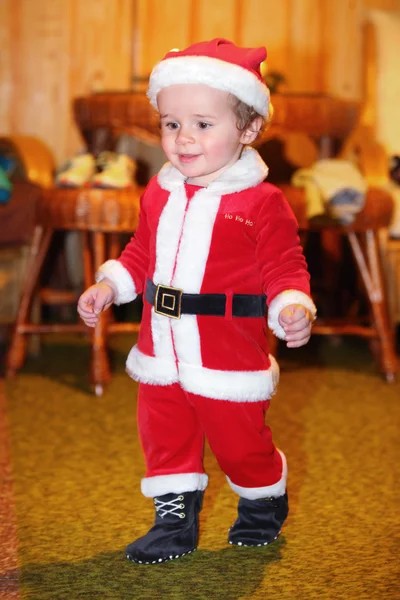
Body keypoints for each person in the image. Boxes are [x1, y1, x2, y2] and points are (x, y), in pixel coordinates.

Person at [77, 38, 316, 565]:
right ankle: (173, 525)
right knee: (164, 437)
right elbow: (140, 253)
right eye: (170, 123)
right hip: (160, 348)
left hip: (227, 354)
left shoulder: (261, 201)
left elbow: (285, 266)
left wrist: (292, 303)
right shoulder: (158, 192)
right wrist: (110, 285)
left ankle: (261, 503)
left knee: (240, 446)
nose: (183, 139)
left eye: (203, 125)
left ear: (248, 129)